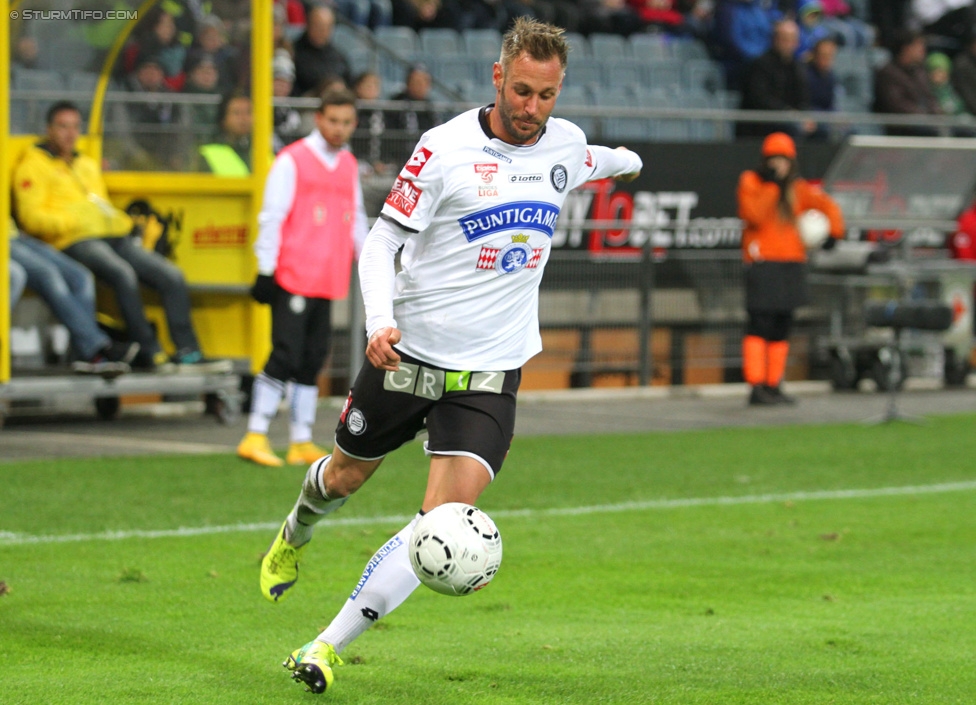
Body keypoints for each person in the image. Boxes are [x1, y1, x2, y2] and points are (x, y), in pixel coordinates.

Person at [257, 17, 642, 695]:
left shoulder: (565, 144)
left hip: (490, 374)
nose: (531, 109)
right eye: (521, 91)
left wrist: (626, 158)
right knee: (343, 479)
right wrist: (379, 321)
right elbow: (380, 243)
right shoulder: (443, 150)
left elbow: (592, 159)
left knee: (440, 525)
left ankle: (323, 646)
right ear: (498, 77)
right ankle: (295, 529)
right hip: (407, 356)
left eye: (546, 96)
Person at [12, 101, 226, 373]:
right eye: (62, 126)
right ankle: (150, 351)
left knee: (170, 275)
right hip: (71, 240)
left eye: (75, 127)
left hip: (109, 235)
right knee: (122, 273)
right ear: (48, 129)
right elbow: (31, 219)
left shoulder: (85, 164)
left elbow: (100, 206)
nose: (70, 133)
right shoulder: (32, 167)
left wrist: (124, 223)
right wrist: (75, 221)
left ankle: (188, 351)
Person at [237, 88, 369, 468]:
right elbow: (272, 215)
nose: (339, 129)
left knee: (312, 358)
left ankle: (300, 439)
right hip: (293, 274)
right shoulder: (292, 160)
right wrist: (265, 268)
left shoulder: (347, 164)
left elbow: (355, 217)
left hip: (328, 277)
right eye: (333, 120)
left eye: (346, 122)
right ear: (318, 118)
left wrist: (368, 260)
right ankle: (255, 432)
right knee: (285, 354)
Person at [738, 132, 844, 406]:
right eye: (774, 160)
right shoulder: (751, 182)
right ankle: (756, 385)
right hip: (762, 263)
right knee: (759, 324)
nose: (779, 165)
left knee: (781, 326)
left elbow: (827, 205)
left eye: (783, 160)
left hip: (791, 263)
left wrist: (835, 232)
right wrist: (772, 187)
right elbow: (754, 215)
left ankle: (773, 384)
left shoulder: (797, 189)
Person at [8, 220, 140, 375]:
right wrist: (76, 225)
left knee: (80, 277)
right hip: (13, 240)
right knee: (47, 274)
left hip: (15, 235)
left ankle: (85, 353)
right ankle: (95, 349)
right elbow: (32, 215)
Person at [737, 18, 813, 138]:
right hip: (762, 123)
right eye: (785, 39)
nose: (789, 44)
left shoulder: (797, 67)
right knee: (792, 129)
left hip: (789, 119)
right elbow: (759, 98)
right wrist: (787, 112)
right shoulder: (761, 64)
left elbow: (803, 97)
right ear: (775, 39)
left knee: (819, 130)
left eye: (792, 40)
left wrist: (804, 116)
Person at [873, 29, 942, 137]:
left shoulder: (919, 71)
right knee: (935, 133)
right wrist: (925, 117)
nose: (923, 50)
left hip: (926, 121)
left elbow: (930, 97)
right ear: (906, 48)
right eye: (918, 45)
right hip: (904, 126)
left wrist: (937, 113)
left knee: (964, 131)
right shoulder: (887, 73)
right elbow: (897, 105)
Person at [291, 5, 352, 97]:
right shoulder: (293, 52)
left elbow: (348, 84)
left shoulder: (338, 56)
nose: (323, 31)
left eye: (327, 27)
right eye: (318, 25)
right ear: (308, 24)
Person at [385, 64, 438, 166]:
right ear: (408, 83)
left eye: (424, 82)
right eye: (416, 82)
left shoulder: (432, 108)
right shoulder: (395, 105)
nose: (420, 86)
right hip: (399, 161)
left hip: (426, 162)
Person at [198, 92, 253, 175]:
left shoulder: (265, 151)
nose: (244, 118)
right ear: (223, 119)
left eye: (249, 112)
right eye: (236, 113)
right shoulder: (209, 153)